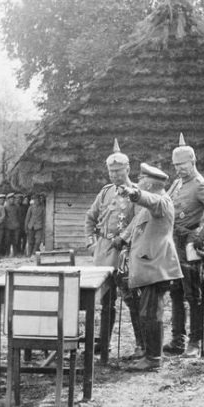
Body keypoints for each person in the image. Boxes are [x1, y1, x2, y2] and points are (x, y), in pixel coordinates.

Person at [163, 134, 204, 357]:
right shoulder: (177, 184)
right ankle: (177, 340)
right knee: (175, 293)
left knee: (194, 295)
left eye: (182, 165)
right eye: (175, 165)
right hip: (174, 246)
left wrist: (201, 237)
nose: (179, 169)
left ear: (193, 162)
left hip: (190, 245)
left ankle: (195, 342)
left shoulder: (199, 185)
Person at [118, 163, 183, 371]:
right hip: (150, 268)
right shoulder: (150, 207)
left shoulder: (161, 201)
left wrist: (134, 194)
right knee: (147, 313)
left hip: (156, 268)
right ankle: (149, 353)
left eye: (142, 180)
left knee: (151, 314)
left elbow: (150, 199)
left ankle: (153, 359)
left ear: (150, 183)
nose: (139, 182)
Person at [84, 140, 140, 358]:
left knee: (132, 299)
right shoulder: (105, 192)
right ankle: (103, 342)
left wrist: (126, 240)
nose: (115, 175)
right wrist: (91, 243)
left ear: (128, 169)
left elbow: (139, 222)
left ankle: (140, 345)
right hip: (104, 252)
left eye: (118, 171)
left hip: (126, 253)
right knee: (106, 301)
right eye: (111, 171)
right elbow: (90, 218)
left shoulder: (136, 192)